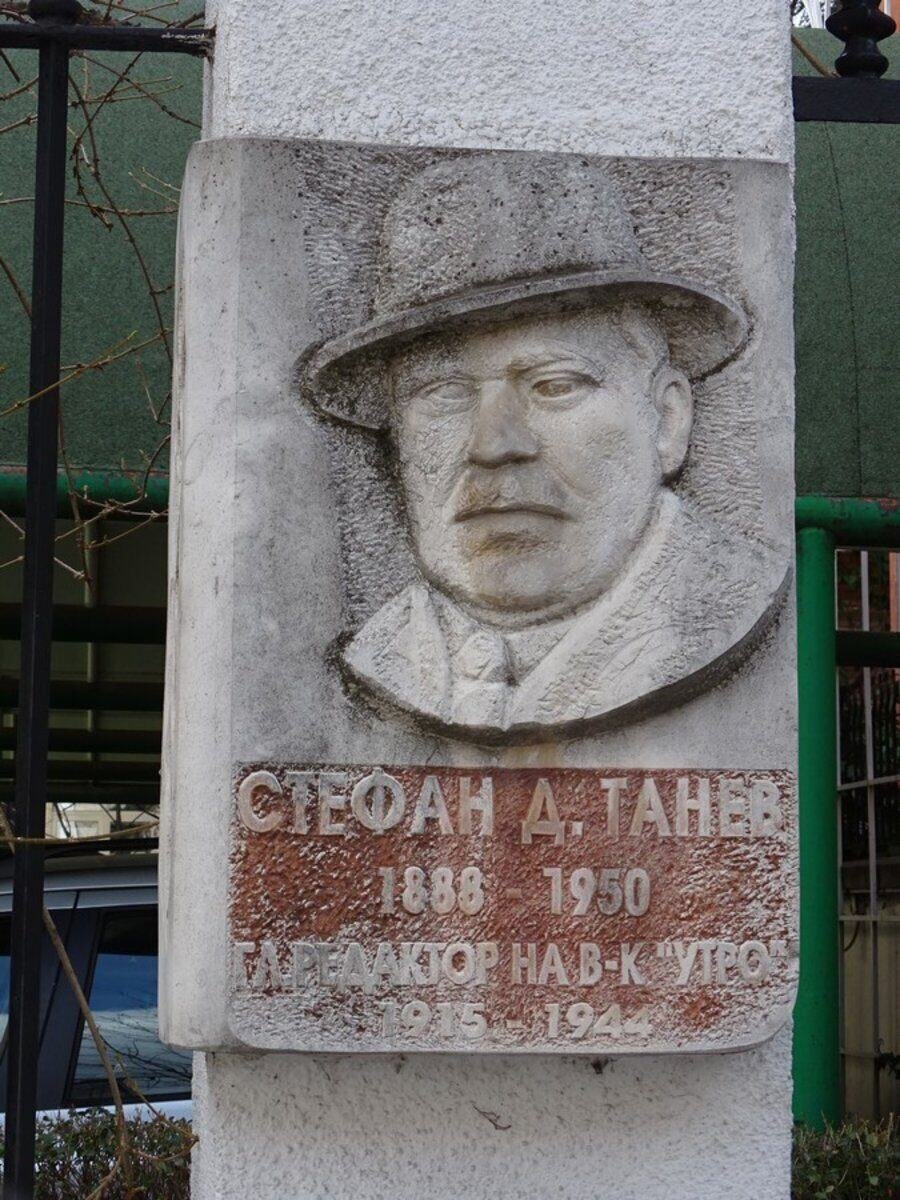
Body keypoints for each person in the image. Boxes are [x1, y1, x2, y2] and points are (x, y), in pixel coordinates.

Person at [300, 156, 787, 739]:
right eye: (444, 394)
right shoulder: (384, 654)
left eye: (554, 386)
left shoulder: (718, 606)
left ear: (667, 420)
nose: (494, 446)